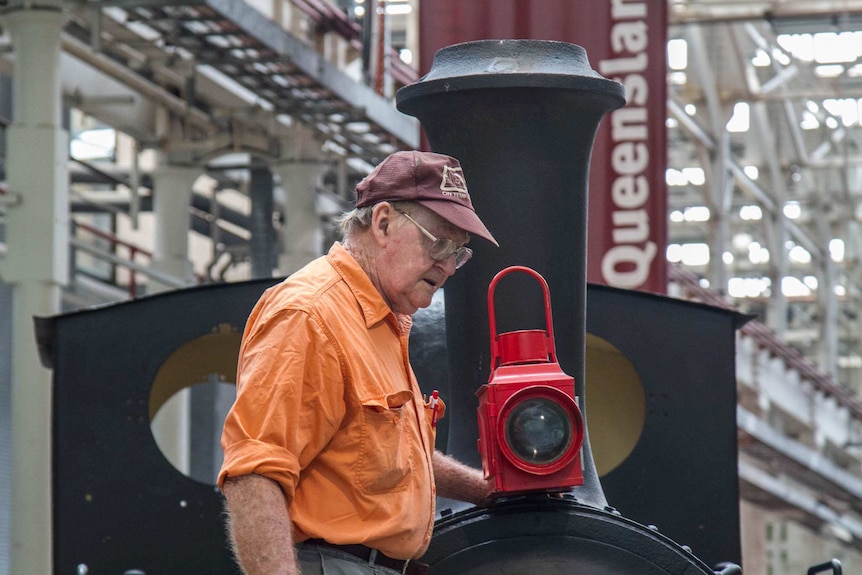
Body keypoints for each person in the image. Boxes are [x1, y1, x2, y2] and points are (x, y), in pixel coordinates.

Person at [218, 150, 500, 575]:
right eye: (439, 242)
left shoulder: (382, 322)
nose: (448, 266)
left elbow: (380, 457)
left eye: (459, 253)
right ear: (383, 222)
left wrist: (488, 490)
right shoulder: (310, 314)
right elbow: (254, 473)